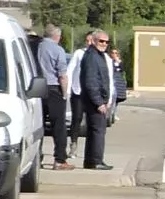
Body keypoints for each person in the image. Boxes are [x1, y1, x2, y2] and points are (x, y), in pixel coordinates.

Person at [36, 24, 73, 171]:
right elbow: (62, 75)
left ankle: (37, 156)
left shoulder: (36, 47)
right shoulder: (57, 50)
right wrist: (64, 93)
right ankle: (59, 159)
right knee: (59, 126)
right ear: (57, 36)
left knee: (38, 125)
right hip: (54, 88)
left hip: (37, 87)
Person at [79, 29, 113, 170]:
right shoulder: (92, 57)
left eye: (106, 41)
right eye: (101, 41)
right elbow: (91, 81)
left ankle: (91, 160)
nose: (104, 44)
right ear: (93, 41)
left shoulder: (98, 56)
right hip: (95, 101)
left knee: (95, 131)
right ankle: (95, 160)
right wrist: (99, 102)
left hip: (98, 100)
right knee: (98, 131)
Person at [65, 31, 94, 158]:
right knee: (76, 119)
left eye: (91, 41)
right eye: (87, 41)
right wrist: (68, 89)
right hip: (78, 91)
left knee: (92, 121)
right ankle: (73, 144)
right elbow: (70, 71)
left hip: (92, 93)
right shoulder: (79, 53)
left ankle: (91, 149)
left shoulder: (98, 56)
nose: (89, 43)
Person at [110, 47, 128, 123]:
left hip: (119, 82)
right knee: (112, 98)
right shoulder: (109, 61)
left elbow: (122, 70)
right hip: (112, 80)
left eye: (116, 53)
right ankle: (111, 114)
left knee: (117, 98)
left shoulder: (120, 62)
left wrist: (119, 62)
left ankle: (114, 113)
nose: (114, 54)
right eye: (113, 53)